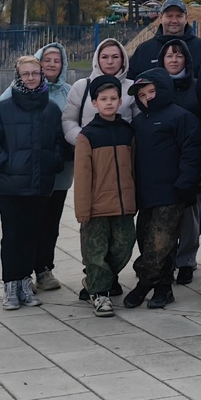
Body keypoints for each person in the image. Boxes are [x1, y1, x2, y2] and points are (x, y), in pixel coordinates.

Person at [0, 55, 66, 310]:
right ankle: (10, 285)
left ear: (42, 76)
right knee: (13, 235)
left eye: (35, 73)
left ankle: (25, 284)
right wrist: (7, 164)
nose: (30, 78)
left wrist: (53, 162)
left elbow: (60, 143)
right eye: (25, 73)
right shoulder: (3, 108)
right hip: (10, 186)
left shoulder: (51, 109)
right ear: (18, 77)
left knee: (31, 235)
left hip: (39, 185)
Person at [0, 42, 72, 293]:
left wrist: (57, 159)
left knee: (49, 224)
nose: (51, 64)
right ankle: (20, 277)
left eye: (57, 60)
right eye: (46, 60)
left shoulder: (69, 92)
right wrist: (8, 163)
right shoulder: (11, 95)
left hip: (56, 173)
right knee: (24, 227)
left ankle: (44, 268)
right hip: (22, 176)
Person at [123, 70, 201, 311]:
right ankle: (163, 288)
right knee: (147, 239)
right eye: (141, 95)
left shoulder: (181, 117)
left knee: (159, 242)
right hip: (146, 194)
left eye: (151, 91)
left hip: (172, 193)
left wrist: (185, 184)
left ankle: (143, 284)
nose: (147, 97)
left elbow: (191, 152)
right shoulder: (139, 122)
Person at [73, 74, 136, 318]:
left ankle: (95, 280)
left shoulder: (127, 132)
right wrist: (83, 210)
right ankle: (100, 294)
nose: (109, 103)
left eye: (113, 98)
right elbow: (82, 177)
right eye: (103, 99)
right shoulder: (87, 135)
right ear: (94, 103)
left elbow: (134, 168)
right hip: (97, 207)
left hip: (123, 206)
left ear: (120, 102)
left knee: (124, 247)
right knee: (95, 252)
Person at [157, 38, 201, 286]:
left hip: (190, 157)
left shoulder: (196, 87)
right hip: (162, 159)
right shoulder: (154, 87)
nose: (174, 60)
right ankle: (162, 259)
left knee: (189, 214)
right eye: (169, 55)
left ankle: (186, 261)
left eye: (179, 55)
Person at [64, 39, 135, 146]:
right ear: (97, 59)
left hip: (123, 150)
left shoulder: (133, 88)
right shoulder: (81, 87)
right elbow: (69, 120)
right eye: (104, 57)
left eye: (115, 57)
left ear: (123, 59)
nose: (110, 61)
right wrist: (85, 141)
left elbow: (140, 122)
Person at [128, 0, 201, 79]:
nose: (174, 21)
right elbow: (131, 81)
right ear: (160, 17)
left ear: (186, 18)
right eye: (169, 16)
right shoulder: (144, 50)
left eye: (179, 16)